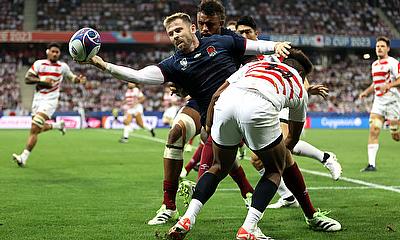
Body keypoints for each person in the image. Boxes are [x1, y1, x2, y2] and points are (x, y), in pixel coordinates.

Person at [82, 12, 291, 225]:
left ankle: (289, 201)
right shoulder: (174, 63)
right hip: (203, 108)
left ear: (192, 29)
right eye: (171, 33)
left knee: (249, 158)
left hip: (235, 107)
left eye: (178, 30)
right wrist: (102, 65)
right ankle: (168, 206)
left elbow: (255, 47)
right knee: (176, 133)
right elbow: (138, 75)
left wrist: (276, 46)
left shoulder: (221, 42)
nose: (175, 36)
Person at [168, 49, 341, 240]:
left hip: (226, 104)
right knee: (275, 170)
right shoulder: (298, 86)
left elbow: (217, 95)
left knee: (217, 167)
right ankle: (249, 228)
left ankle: (187, 218)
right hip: (259, 107)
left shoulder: (254, 65)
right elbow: (293, 137)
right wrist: (279, 155)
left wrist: (209, 125)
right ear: (301, 74)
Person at [235, 16, 342, 209]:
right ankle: (287, 196)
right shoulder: (238, 55)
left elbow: (297, 71)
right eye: (240, 33)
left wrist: (305, 89)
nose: (244, 35)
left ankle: (325, 157)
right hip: (259, 105)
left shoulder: (271, 51)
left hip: (283, 101)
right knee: (257, 160)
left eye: (247, 32)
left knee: (284, 145)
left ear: (256, 33)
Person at [12, 43, 86, 167]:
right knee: (36, 129)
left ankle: (23, 157)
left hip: (50, 100)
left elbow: (72, 78)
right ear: (48, 52)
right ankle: (58, 125)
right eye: (53, 51)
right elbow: (27, 79)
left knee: (34, 128)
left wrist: (79, 80)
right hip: (37, 99)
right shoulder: (39, 64)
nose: (55, 53)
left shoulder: (63, 67)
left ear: (59, 54)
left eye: (57, 52)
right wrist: (41, 81)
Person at [359, 36, 400, 171]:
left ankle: (396, 130)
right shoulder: (374, 65)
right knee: (374, 129)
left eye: (382, 46)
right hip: (379, 102)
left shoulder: (393, 63)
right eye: (377, 46)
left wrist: (389, 85)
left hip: (393, 101)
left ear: (388, 48)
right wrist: (366, 91)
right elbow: (375, 83)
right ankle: (371, 164)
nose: (379, 48)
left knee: (396, 136)